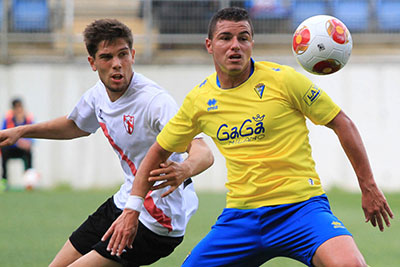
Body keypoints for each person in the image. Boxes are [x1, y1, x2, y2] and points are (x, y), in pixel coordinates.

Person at [103, 7, 394, 267]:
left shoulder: (283, 79)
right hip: (241, 219)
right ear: (209, 45)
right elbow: (157, 152)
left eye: (243, 38)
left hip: (301, 210)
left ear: (252, 44)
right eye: (225, 38)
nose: (235, 46)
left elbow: (342, 123)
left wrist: (368, 187)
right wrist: (132, 209)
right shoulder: (200, 100)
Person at [0, 19, 214, 267]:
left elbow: (203, 151)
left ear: (133, 55)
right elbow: (74, 125)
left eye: (123, 54)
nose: (116, 64)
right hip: (125, 200)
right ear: (92, 63)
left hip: (158, 218)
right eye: (106, 57)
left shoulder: (154, 102)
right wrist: (22, 131)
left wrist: (185, 169)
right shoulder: (97, 96)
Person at [1, 98, 34, 191]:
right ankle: (4, 181)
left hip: (23, 150)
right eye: (17, 107)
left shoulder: (28, 119)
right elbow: (3, 135)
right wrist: (18, 143)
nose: (19, 109)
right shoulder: (8, 120)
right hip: (10, 148)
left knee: (29, 153)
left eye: (20, 107)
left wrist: (28, 142)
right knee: (4, 152)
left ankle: (29, 182)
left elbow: (35, 134)